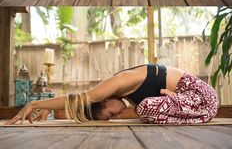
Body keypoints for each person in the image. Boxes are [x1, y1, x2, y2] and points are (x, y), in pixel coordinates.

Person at [7, 63, 219, 126]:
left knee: (144, 109)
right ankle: (173, 98)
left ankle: (175, 99)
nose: (117, 116)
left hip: (204, 99)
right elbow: (82, 101)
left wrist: (37, 105)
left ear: (105, 99)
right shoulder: (123, 93)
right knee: (143, 109)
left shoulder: (118, 82)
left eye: (110, 115)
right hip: (195, 107)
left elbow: (80, 99)